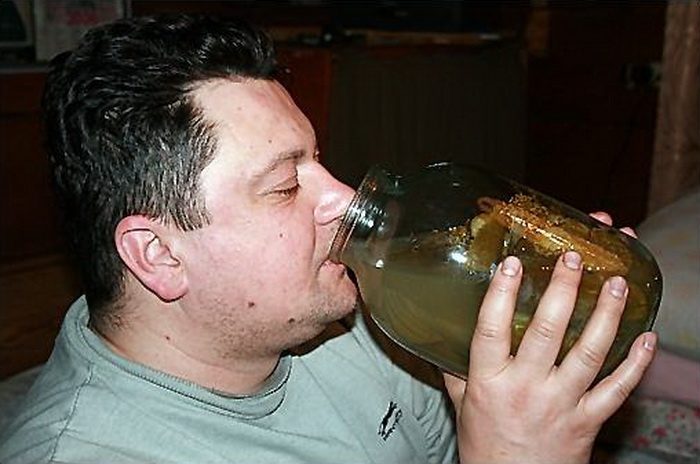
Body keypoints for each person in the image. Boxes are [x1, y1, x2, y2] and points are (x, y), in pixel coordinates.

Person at [0, 14, 656, 464]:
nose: (342, 198)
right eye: (286, 185)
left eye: (317, 160)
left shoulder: (361, 326)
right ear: (160, 255)